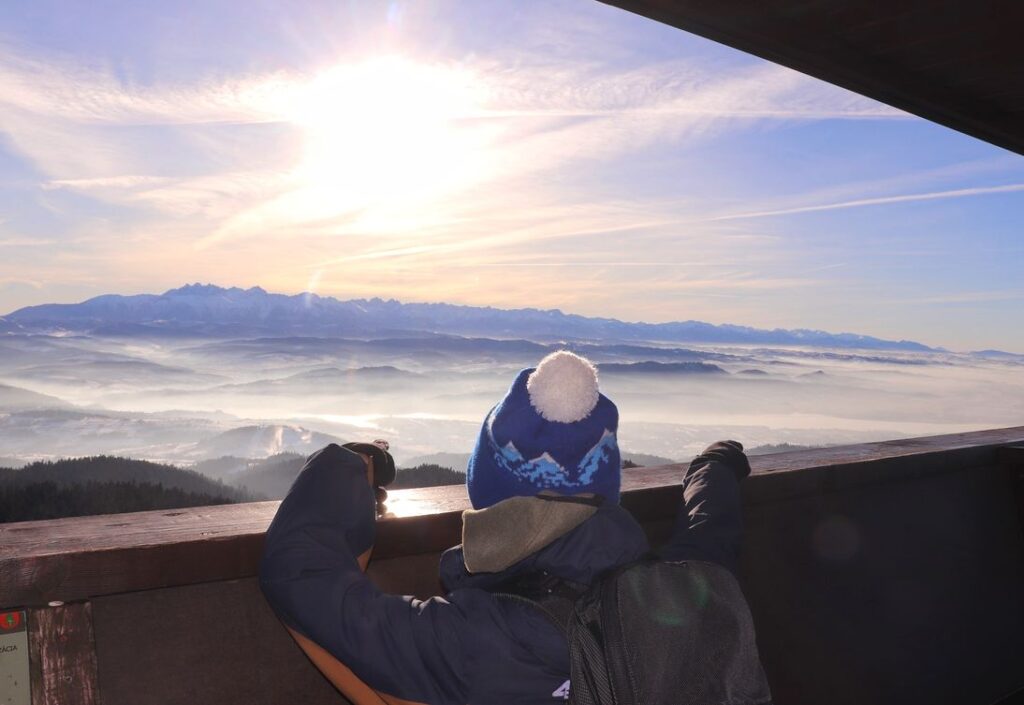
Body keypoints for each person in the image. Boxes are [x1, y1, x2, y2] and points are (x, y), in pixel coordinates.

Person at [260, 350, 769, 705]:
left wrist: (349, 465)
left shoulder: (473, 640)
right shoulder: (686, 589)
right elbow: (710, 528)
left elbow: (299, 572)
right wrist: (715, 466)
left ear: (486, 484)